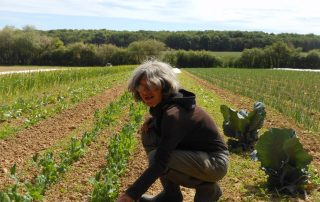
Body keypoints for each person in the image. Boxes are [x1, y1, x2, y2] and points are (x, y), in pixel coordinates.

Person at [117, 60, 229, 202]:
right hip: (197, 155)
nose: (145, 91)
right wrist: (153, 120)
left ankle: (208, 189)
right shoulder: (167, 106)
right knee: (149, 134)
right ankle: (171, 195)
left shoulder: (174, 114)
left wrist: (131, 195)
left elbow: (161, 162)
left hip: (215, 162)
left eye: (151, 85)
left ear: (164, 86)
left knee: (156, 158)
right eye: (140, 86)